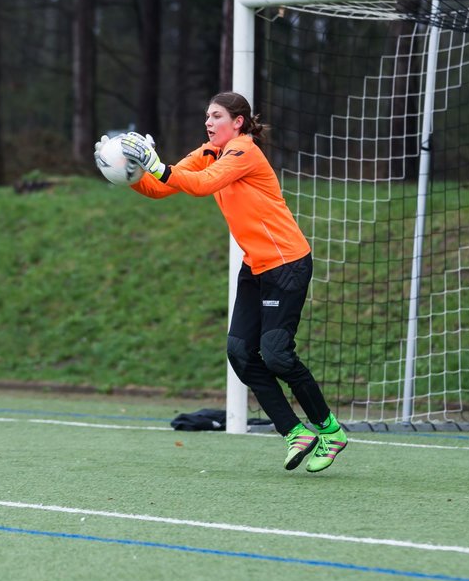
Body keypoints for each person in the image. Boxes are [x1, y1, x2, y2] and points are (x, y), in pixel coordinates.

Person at [120, 92, 348, 473]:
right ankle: (295, 433)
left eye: (216, 116)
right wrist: (127, 171)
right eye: (207, 116)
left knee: (276, 354)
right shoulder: (210, 150)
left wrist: (156, 165)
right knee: (240, 352)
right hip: (256, 267)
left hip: (286, 263)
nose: (208, 123)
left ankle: (331, 430)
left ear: (238, 122)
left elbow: (204, 184)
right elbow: (163, 187)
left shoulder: (244, 151)